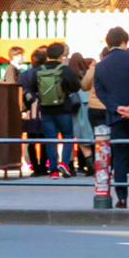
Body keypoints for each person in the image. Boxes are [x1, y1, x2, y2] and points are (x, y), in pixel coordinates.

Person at [89, 26, 129, 210]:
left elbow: (100, 91)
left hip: (116, 114)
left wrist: (116, 107)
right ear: (125, 41)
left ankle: (122, 198)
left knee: (120, 156)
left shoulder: (101, 65)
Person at [27, 44, 76, 177]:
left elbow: (32, 87)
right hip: (64, 108)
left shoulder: (39, 70)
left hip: (46, 110)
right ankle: (65, 164)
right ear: (61, 55)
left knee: (51, 139)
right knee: (67, 136)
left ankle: (53, 170)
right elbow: (76, 85)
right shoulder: (64, 69)